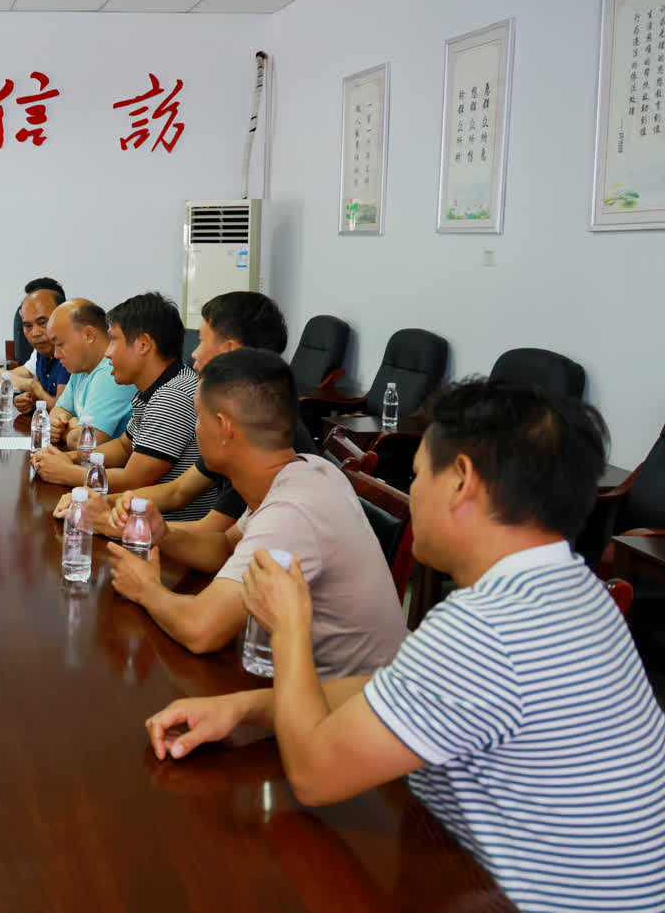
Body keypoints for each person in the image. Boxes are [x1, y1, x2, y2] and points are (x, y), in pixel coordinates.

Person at [145, 379, 665, 912]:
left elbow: (315, 774)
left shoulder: (485, 628)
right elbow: (383, 690)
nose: (413, 495)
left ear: (461, 480)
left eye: (417, 475)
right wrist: (244, 706)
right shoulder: (574, 590)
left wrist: (290, 628)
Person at [107, 348, 406, 677]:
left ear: (224, 428)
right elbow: (226, 546)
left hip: (345, 699)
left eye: (198, 418)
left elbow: (201, 630)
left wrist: (146, 589)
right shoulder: (309, 469)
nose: (195, 430)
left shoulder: (293, 511)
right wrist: (163, 534)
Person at [55, 291, 317, 538]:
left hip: (193, 538)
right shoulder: (236, 414)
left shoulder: (255, 432)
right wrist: (98, 503)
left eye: (202, 340)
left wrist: (109, 519)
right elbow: (178, 490)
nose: (194, 353)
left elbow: (218, 539)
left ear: (230, 351)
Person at [34, 292, 214, 522]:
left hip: (161, 528)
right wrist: (68, 459)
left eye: (113, 340)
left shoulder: (173, 395)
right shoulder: (154, 387)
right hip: (135, 518)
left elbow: (134, 479)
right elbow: (122, 447)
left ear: (143, 345)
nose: (107, 352)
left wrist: (67, 472)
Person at [34, 298, 137, 451]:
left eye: (60, 344)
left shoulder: (112, 373)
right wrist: (68, 424)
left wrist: (66, 430)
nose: (56, 354)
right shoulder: (81, 368)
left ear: (89, 335)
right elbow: (58, 411)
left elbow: (86, 442)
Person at [0, 277, 69, 415]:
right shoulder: (43, 350)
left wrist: (34, 389)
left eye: (42, 322)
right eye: (27, 325)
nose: (35, 333)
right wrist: (31, 400)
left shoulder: (69, 352)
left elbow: (62, 411)